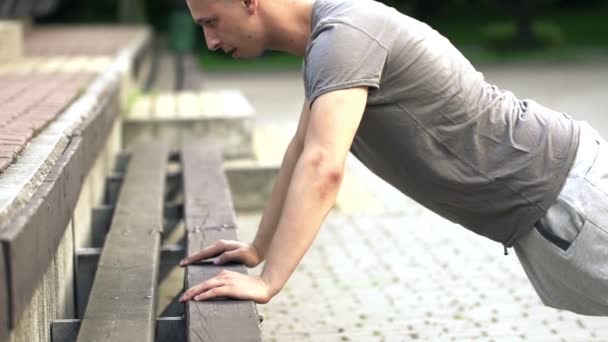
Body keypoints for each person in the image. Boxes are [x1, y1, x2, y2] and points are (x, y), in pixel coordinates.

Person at [178, 0, 608, 315]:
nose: (210, 41)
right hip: (544, 208)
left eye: (212, 22)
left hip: (565, 196)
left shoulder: (343, 36)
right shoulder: (328, 42)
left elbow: (324, 168)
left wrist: (270, 282)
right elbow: (301, 151)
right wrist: (257, 249)